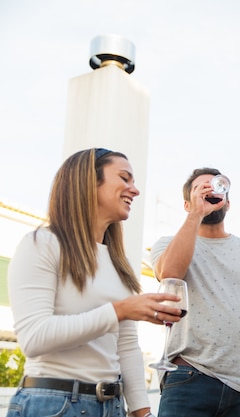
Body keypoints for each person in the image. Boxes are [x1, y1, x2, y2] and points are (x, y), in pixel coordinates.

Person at [7, 148, 182, 417]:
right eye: (125, 178)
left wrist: (142, 411)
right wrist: (119, 310)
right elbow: (34, 338)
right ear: (89, 182)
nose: (134, 190)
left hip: (111, 406)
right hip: (54, 405)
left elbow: (126, 346)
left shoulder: (116, 262)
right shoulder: (42, 244)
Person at [150, 167, 240, 417]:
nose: (209, 190)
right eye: (200, 188)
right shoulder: (167, 244)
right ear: (186, 204)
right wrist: (197, 213)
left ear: (227, 201)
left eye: (216, 186)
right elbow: (170, 274)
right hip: (188, 378)